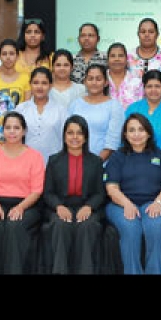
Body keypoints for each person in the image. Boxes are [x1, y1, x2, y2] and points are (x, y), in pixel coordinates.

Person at [104, 114, 161, 275]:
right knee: (130, 227)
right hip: (121, 204)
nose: (136, 134)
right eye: (131, 130)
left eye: (141, 130)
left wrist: (158, 203)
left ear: (149, 133)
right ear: (125, 134)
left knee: (155, 225)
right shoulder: (117, 157)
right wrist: (127, 204)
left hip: (154, 203)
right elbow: (112, 187)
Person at [0, 112, 46, 274]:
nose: (12, 132)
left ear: (24, 131)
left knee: (15, 226)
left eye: (16, 128)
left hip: (26, 203)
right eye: (8, 128)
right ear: (3, 130)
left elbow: (37, 190)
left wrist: (20, 207)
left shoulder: (35, 156)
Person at [42, 115, 106, 274]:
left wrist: (89, 207)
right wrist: (58, 206)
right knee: (60, 225)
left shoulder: (96, 162)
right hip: (61, 206)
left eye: (79, 133)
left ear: (85, 137)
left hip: (87, 206)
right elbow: (48, 192)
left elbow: (100, 193)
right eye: (70, 133)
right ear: (64, 136)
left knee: (87, 226)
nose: (75, 137)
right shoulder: (54, 160)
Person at [67, 64, 124, 161]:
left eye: (98, 79)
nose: (94, 82)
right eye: (90, 79)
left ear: (106, 82)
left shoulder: (114, 106)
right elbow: (68, 134)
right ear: (84, 82)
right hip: (75, 161)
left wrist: (95, 164)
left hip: (102, 163)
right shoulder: (75, 104)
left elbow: (112, 142)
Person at [14, 67, 68, 165]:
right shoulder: (21, 109)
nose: (39, 87)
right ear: (30, 84)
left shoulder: (60, 110)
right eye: (35, 83)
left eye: (44, 83)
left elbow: (66, 138)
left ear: (50, 85)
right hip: (25, 164)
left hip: (54, 164)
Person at [106, 42, 143, 109]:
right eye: (113, 56)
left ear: (126, 59)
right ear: (107, 60)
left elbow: (140, 107)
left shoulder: (137, 82)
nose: (117, 59)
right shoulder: (100, 79)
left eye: (120, 56)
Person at [0, 39, 31, 106]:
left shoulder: (26, 78)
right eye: (4, 54)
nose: (8, 57)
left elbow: (27, 106)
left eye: (11, 54)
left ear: (17, 56)